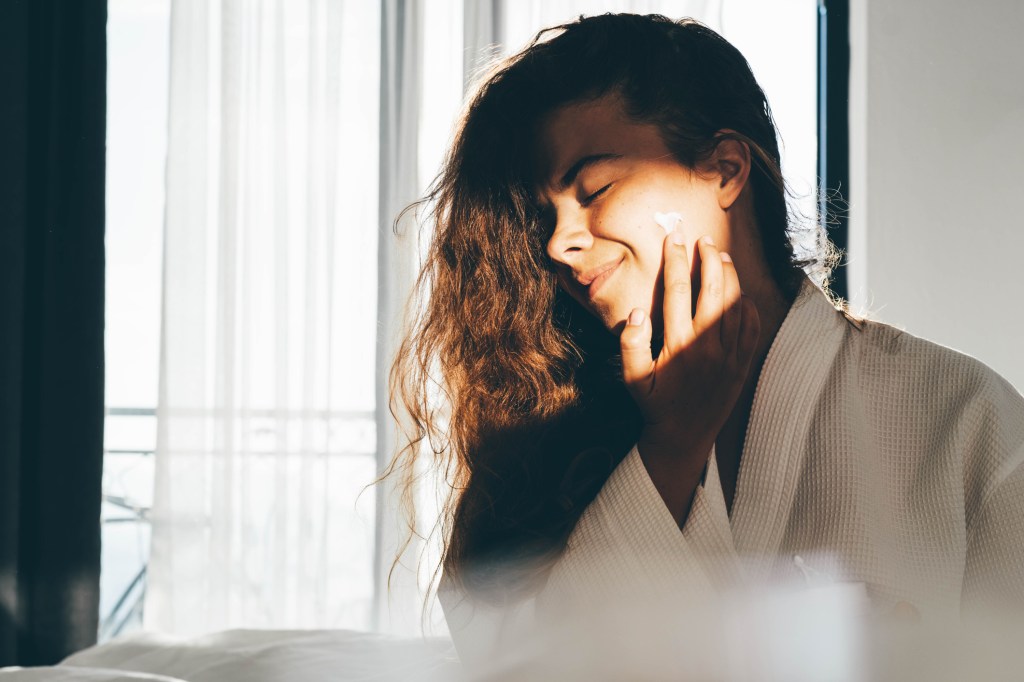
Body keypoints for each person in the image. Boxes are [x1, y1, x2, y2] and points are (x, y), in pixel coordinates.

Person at [387, 12, 1024, 670]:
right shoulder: (537, 445)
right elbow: (514, 667)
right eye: (546, 216)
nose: (558, 242)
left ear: (724, 169)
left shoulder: (964, 418)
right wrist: (672, 447)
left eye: (596, 188)